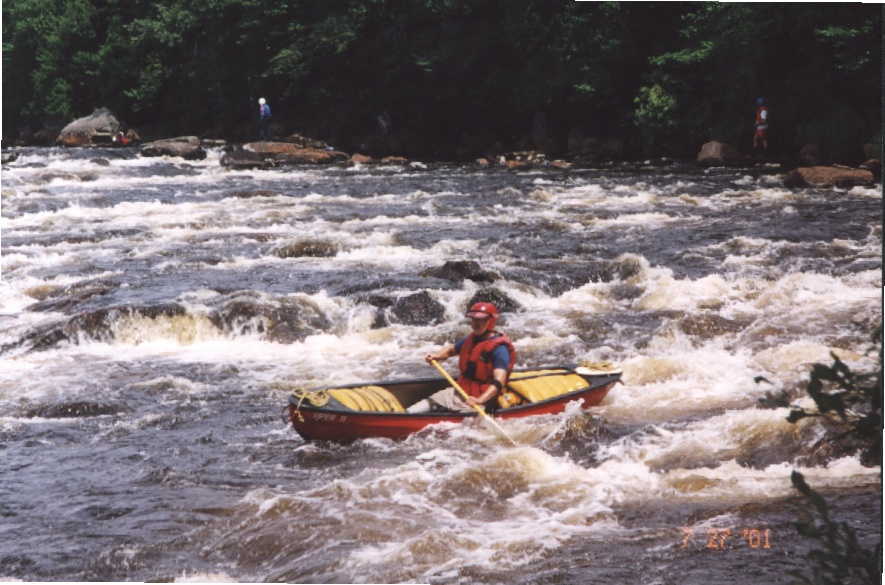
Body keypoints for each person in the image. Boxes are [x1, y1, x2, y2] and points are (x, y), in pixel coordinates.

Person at [408, 302, 516, 413]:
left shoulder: (499, 349)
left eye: (481, 320)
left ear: (490, 321)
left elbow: (499, 381)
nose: (475, 324)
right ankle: (406, 415)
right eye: (473, 320)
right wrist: (437, 356)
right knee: (417, 409)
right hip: (460, 391)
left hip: (482, 400)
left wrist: (479, 400)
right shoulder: (472, 339)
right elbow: (451, 350)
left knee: (459, 426)